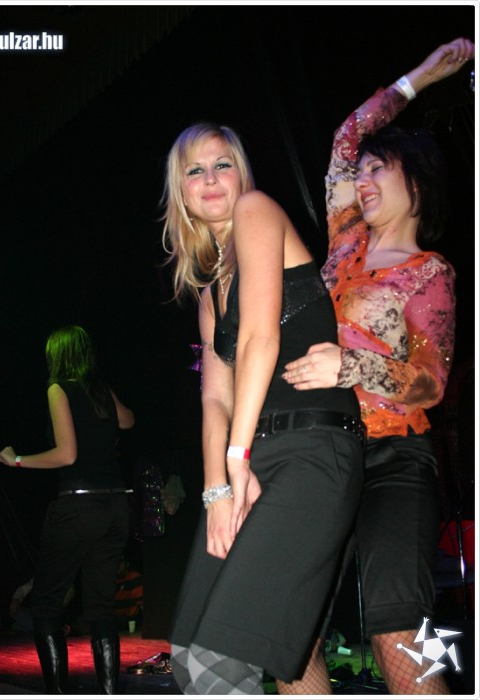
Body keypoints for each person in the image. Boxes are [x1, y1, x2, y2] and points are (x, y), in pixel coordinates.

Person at [280, 38, 474, 695]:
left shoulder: (430, 272)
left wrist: (353, 365)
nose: (360, 180)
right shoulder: (345, 241)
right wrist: (420, 77)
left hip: (393, 458)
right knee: (289, 634)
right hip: (321, 452)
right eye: (359, 174)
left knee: (398, 626)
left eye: (377, 171)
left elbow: (430, 382)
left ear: (415, 182)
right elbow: (346, 138)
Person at [161, 122, 366, 694]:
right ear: (182, 192)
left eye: (221, 164)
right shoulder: (209, 295)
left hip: (312, 451)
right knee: (189, 659)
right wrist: (216, 492)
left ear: (241, 173)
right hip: (254, 457)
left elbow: (259, 338)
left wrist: (237, 461)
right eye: (194, 171)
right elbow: (214, 398)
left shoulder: (256, 210)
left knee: (222, 661)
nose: (210, 179)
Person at [0, 325, 135, 694]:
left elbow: (67, 454)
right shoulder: (99, 389)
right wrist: (101, 396)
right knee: (101, 605)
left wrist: (18, 460)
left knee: (47, 603)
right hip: (115, 505)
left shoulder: (58, 389)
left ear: (56, 356)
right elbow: (127, 420)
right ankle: (109, 693)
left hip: (78, 504)